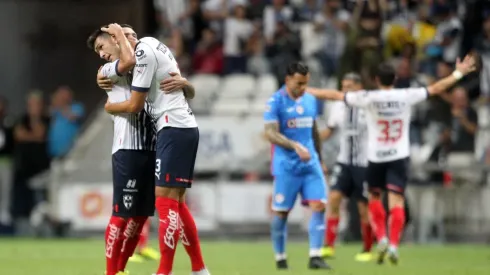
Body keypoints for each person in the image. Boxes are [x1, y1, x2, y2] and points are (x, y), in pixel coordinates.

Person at [307, 54, 477, 264]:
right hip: (399, 155)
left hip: (376, 157)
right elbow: (437, 88)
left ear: (377, 80)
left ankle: (382, 238)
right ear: (395, 79)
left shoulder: (369, 97)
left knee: (374, 198)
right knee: (396, 200)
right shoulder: (405, 95)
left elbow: (333, 95)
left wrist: (306, 90)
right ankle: (394, 244)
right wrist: (459, 72)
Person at [99, 23, 209, 275]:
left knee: (165, 202)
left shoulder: (142, 53)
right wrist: (186, 84)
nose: (121, 44)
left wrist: (109, 108)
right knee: (177, 203)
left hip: (172, 128)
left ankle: (164, 271)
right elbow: (178, 85)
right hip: (176, 128)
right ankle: (199, 269)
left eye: (125, 38)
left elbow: (136, 104)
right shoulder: (150, 48)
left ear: (132, 39)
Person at [87, 24, 156, 275]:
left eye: (101, 46)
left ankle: (121, 268)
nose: (101, 53)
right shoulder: (107, 70)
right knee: (122, 213)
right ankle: (110, 272)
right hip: (128, 148)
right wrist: (118, 33)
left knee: (139, 217)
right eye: (98, 50)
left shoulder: (146, 63)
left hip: (151, 147)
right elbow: (126, 60)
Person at [263, 62, 331, 270]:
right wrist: (294, 146)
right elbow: (270, 133)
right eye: (299, 83)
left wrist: (320, 158)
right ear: (288, 80)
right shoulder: (275, 101)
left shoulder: (310, 100)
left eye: (306, 83)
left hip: (310, 165)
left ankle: (315, 256)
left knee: (319, 205)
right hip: (286, 167)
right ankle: (281, 258)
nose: (303, 88)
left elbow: (314, 131)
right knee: (281, 212)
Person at [318, 73, 373, 262]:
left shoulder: (369, 105)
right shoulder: (338, 106)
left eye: (349, 86)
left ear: (359, 87)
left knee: (363, 208)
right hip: (344, 161)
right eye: (343, 86)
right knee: (333, 199)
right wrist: (310, 141)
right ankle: (329, 246)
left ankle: (367, 249)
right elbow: (330, 130)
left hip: (364, 164)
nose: (345, 90)